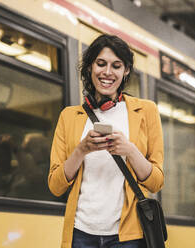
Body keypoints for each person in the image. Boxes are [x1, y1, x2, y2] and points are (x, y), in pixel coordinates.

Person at [49, 34, 164, 248]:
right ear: (90, 67)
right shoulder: (69, 116)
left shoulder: (146, 111)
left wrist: (129, 150)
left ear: (126, 70)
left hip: (127, 237)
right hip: (80, 234)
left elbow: (156, 182)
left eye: (117, 66)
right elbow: (55, 186)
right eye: (101, 64)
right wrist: (81, 149)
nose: (108, 73)